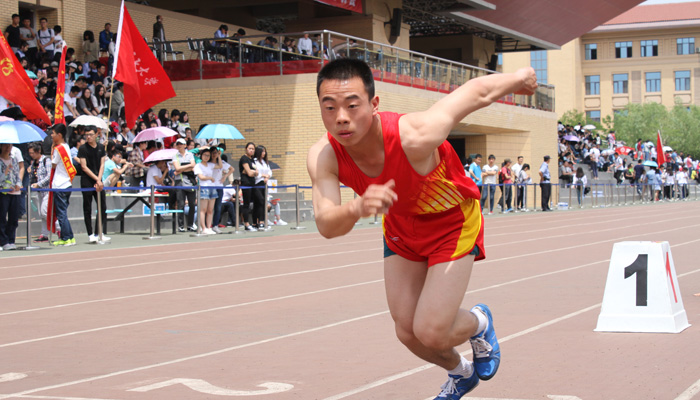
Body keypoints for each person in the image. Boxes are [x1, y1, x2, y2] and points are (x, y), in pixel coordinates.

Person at [307, 58, 537, 400]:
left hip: (451, 222)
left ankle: (479, 323)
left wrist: (519, 76)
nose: (341, 117)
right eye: (330, 107)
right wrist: (355, 207)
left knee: (430, 329)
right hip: (401, 225)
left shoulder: (413, 135)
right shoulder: (324, 155)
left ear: (373, 104)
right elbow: (326, 224)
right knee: (407, 331)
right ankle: (461, 373)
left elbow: (473, 93)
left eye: (351, 105)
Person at [78, 125, 110, 243]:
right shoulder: (82, 148)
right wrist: (97, 179)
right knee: (87, 207)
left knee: (102, 206)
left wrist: (99, 179)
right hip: (87, 180)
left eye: (91, 134)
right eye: (86, 135)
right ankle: (90, 234)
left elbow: (102, 165)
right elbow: (84, 167)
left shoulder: (101, 147)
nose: (88, 137)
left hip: (98, 179)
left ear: (97, 134)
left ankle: (98, 232)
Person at [49, 123, 76, 246]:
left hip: (59, 185)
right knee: (63, 212)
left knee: (61, 213)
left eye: (53, 133)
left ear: (59, 135)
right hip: (67, 183)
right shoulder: (66, 147)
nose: (51, 135)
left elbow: (53, 164)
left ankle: (66, 238)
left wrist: (52, 151)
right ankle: (69, 237)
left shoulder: (58, 149)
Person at [0, 143, 23, 251]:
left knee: (14, 218)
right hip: (3, 193)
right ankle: (3, 241)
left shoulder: (13, 159)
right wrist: (5, 171)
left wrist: (18, 184)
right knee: (2, 218)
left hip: (15, 193)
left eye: (10, 145)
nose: (8, 148)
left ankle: (11, 239)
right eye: (6, 145)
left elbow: (17, 174)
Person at [28, 142, 52, 242]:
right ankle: (44, 234)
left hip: (47, 190)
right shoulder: (33, 163)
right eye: (29, 153)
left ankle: (59, 228)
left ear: (38, 151)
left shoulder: (46, 160)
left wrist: (39, 184)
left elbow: (49, 176)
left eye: (32, 153)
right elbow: (33, 177)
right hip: (38, 191)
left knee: (44, 211)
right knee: (41, 213)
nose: (31, 155)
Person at [172, 138, 197, 232]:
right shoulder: (175, 156)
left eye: (181, 144)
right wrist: (188, 167)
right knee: (181, 204)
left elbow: (193, 166)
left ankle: (190, 224)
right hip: (179, 181)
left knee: (192, 204)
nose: (179, 145)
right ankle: (181, 225)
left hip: (190, 181)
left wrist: (181, 169)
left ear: (185, 145)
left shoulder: (190, 154)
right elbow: (177, 168)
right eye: (178, 144)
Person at [194, 147, 220, 235]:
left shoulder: (210, 165)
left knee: (210, 209)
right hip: (203, 187)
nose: (206, 157)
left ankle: (209, 227)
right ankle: (203, 227)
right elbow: (201, 177)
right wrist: (210, 178)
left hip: (212, 187)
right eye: (205, 155)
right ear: (201, 155)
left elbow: (220, 166)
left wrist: (218, 156)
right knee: (203, 209)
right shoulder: (198, 165)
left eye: (208, 155)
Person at [252, 145, 272, 229]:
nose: (264, 153)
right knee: (260, 202)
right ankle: (257, 221)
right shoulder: (254, 161)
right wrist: (263, 175)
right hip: (256, 184)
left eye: (264, 151)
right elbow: (255, 173)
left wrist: (267, 177)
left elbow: (270, 171)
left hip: (264, 185)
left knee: (262, 202)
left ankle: (261, 221)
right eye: (262, 151)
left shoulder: (265, 162)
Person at [239, 142, 258, 231]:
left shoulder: (252, 159)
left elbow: (256, 172)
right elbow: (250, 173)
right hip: (246, 183)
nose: (251, 150)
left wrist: (252, 172)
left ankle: (255, 222)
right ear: (246, 149)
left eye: (253, 149)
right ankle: (246, 223)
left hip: (253, 183)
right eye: (250, 148)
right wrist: (251, 172)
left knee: (256, 202)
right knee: (246, 203)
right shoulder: (244, 158)